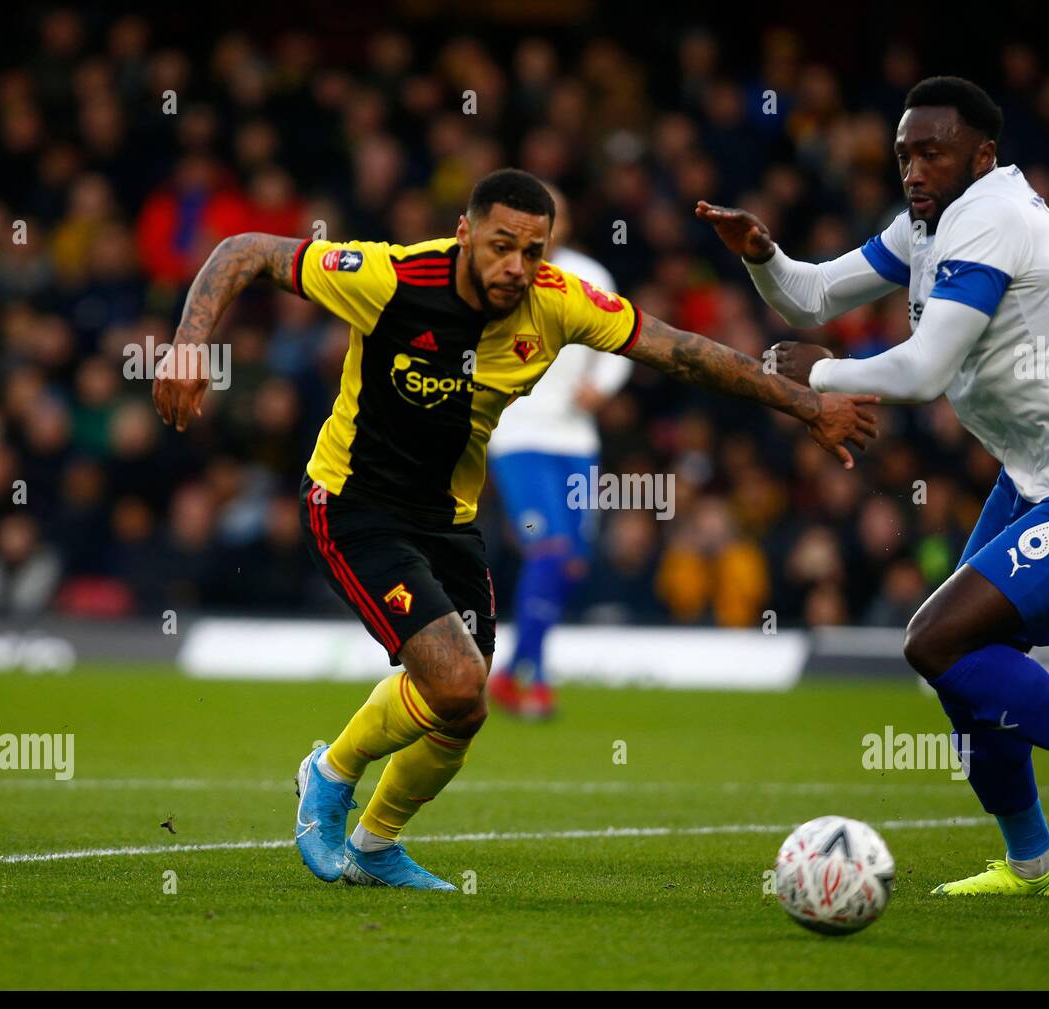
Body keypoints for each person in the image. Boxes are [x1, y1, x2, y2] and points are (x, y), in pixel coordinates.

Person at [155, 167, 878, 890]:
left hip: (449, 517)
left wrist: (805, 405)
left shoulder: (559, 304)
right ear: (465, 233)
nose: (517, 267)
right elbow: (242, 250)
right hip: (353, 504)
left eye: (534, 252)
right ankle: (329, 774)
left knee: (462, 708)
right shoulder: (390, 277)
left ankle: (377, 846)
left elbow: (681, 350)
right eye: (502, 246)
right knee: (458, 678)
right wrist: (189, 345)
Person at [699, 77, 1049, 896]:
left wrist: (816, 373)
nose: (914, 169)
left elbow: (925, 373)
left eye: (932, 152)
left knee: (934, 640)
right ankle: (1033, 865)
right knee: (960, 662)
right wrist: (764, 257)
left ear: (982, 156)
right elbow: (812, 294)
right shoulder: (925, 227)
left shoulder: (994, 219)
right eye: (903, 155)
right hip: (1037, 478)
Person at [485, 186, 632, 719]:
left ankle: (508, 674)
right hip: (518, 434)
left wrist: (604, 386)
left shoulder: (590, 276)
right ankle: (539, 679)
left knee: (571, 561)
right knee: (546, 548)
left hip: (577, 439)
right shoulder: (499, 274)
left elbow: (623, 342)